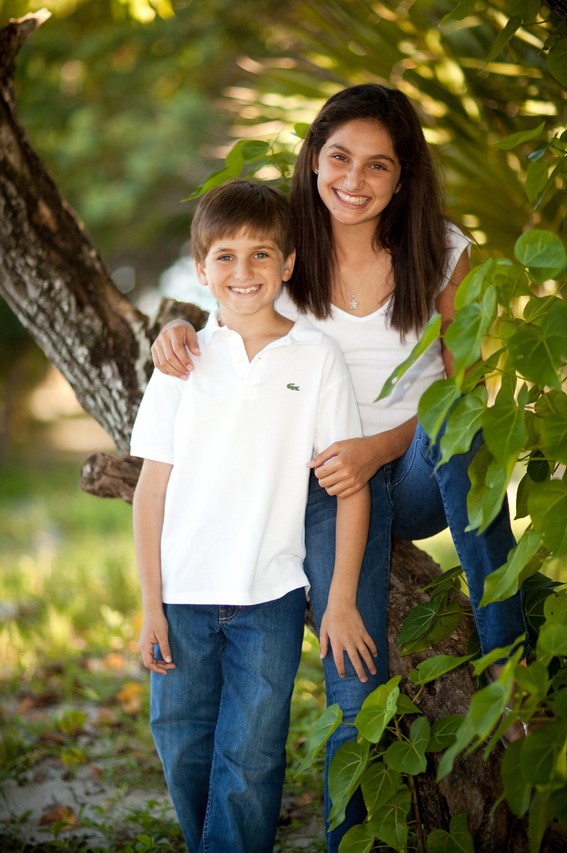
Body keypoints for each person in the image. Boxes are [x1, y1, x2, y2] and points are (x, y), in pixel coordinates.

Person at [150, 84, 529, 851]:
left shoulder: (441, 250)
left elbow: (462, 393)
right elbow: (231, 313)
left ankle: (506, 653)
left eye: (378, 165)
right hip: (322, 485)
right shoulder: (287, 247)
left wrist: (380, 446)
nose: (354, 180)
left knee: (463, 429)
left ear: (403, 174)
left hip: (415, 466)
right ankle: (347, 837)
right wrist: (176, 328)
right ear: (314, 159)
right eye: (339, 158)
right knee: (354, 678)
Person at [130, 178, 375, 853]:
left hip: (270, 598)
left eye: (261, 254)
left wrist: (340, 599)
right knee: (181, 743)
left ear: (288, 264)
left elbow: (350, 486)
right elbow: (150, 492)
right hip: (181, 596)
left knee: (250, 760)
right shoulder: (181, 361)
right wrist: (150, 605)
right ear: (202, 268)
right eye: (226, 256)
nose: (244, 271)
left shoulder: (316, 358)